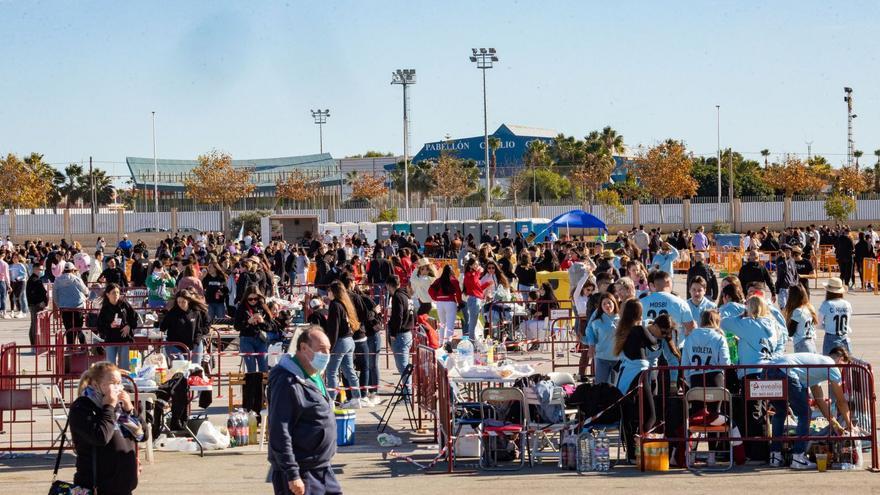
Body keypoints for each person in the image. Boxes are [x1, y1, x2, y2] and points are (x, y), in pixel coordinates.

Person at [268, 327, 342, 495]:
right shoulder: (287, 382)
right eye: (321, 349)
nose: (326, 354)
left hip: (322, 467)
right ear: (303, 348)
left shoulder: (313, 375)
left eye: (328, 349)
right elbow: (280, 431)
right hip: (301, 471)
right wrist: (292, 474)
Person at [720, 295, 784, 461]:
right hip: (768, 369)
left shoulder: (748, 323)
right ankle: (764, 448)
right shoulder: (772, 324)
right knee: (763, 411)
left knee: (753, 413)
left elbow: (724, 322)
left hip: (752, 371)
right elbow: (780, 345)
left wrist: (742, 315)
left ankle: (756, 452)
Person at [768, 348, 853, 470]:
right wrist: (850, 425)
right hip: (787, 372)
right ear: (840, 360)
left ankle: (775, 456)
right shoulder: (832, 366)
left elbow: (820, 401)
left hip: (770, 370)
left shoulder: (816, 366)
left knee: (780, 412)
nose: (841, 371)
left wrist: (835, 425)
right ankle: (798, 457)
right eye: (843, 367)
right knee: (805, 414)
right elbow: (841, 401)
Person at [614, 300, 676, 460]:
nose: (663, 336)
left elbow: (665, 351)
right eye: (662, 332)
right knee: (643, 415)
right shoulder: (639, 330)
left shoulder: (637, 330)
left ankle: (636, 448)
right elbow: (653, 341)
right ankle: (636, 446)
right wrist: (665, 336)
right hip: (637, 373)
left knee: (642, 414)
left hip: (645, 375)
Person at [69, 362, 141, 495]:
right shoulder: (82, 407)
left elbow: (143, 435)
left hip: (124, 485)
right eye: (112, 383)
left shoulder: (120, 409)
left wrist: (130, 409)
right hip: (97, 486)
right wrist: (109, 407)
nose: (118, 388)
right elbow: (101, 437)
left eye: (119, 383)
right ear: (96, 384)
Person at [323, 280, 362, 407]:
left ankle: (331, 401)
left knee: (332, 372)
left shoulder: (334, 305)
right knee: (349, 370)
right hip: (349, 340)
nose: (327, 293)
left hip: (340, 341)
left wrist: (330, 347)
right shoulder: (345, 303)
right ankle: (357, 398)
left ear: (333, 292)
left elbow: (334, 328)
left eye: (329, 291)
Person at [681, 310, 731, 389]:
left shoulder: (690, 337)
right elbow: (725, 362)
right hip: (715, 378)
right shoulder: (719, 337)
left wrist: (689, 380)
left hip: (696, 378)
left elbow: (685, 363)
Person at [160, 289, 209, 364]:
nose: (181, 304)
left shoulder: (196, 312)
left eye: (183, 302)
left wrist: (196, 343)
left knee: (195, 367)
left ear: (188, 301)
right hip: (175, 345)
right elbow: (162, 327)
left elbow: (198, 330)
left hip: (194, 343)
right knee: (182, 366)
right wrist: (162, 320)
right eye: (179, 302)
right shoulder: (172, 313)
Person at [96, 283, 138, 370]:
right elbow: (100, 326)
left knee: (124, 365)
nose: (116, 295)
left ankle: (124, 382)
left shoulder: (124, 304)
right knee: (110, 366)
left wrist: (129, 326)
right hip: (111, 339)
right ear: (107, 294)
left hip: (124, 338)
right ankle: (111, 382)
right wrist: (110, 325)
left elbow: (134, 316)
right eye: (113, 293)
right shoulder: (105, 309)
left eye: (118, 292)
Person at [234, 286, 274, 373]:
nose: (253, 301)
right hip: (246, 339)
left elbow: (270, 327)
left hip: (261, 338)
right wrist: (248, 322)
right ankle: (253, 386)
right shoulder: (241, 308)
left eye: (255, 298)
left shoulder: (263, 307)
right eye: (250, 299)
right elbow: (236, 326)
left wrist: (262, 321)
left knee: (264, 367)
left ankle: (263, 386)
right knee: (251, 368)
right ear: (246, 298)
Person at [387, 274, 414, 398]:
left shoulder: (397, 297)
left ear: (388, 286)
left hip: (400, 334)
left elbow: (398, 316)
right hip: (407, 332)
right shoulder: (406, 295)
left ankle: (408, 393)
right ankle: (407, 391)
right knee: (403, 365)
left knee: (402, 365)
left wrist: (393, 333)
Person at [583, 292, 619, 384]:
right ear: (601, 307)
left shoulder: (621, 318)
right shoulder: (597, 321)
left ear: (614, 303)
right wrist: (591, 345)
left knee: (617, 386)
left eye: (609, 303)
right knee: (601, 385)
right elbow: (589, 331)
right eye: (604, 304)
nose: (607, 305)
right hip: (602, 357)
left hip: (619, 358)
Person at [54, 262, 89, 344]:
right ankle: (83, 347)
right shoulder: (76, 279)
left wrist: (60, 305)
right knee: (79, 328)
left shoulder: (57, 280)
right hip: (78, 307)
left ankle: (70, 347)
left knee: (68, 329)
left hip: (65, 308)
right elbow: (86, 290)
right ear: (73, 270)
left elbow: (55, 296)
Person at [817, 277, 853, 355]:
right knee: (846, 364)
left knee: (830, 365)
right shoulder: (847, 304)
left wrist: (827, 326)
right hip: (845, 338)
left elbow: (818, 324)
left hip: (831, 339)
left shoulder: (827, 304)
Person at [428, 265, 462, 344]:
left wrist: (436, 298)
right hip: (450, 303)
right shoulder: (454, 280)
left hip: (440, 303)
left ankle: (441, 343)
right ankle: (448, 342)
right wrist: (460, 303)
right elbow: (458, 293)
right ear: (451, 271)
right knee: (450, 324)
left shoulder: (438, 280)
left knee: (442, 323)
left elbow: (430, 290)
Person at [462, 258, 490, 343]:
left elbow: (478, 289)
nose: (477, 266)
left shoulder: (473, 275)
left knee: (475, 322)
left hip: (476, 298)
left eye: (477, 264)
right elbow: (475, 287)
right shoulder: (469, 275)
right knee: (473, 323)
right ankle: (471, 342)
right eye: (475, 264)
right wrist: (478, 272)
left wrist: (488, 283)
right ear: (470, 265)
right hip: (474, 299)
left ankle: (473, 341)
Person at [783, 284, 818, 353]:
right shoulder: (809, 307)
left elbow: (791, 332)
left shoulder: (798, 311)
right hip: (811, 343)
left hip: (801, 344)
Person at [26, 263, 48, 346]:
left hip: (34, 304)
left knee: (34, 324)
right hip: (36, 305)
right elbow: (35, 294)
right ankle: (34, 344)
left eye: (42, 270)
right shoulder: (34, 280)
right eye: (40, 269)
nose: (41, 271)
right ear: (35, 269)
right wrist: (41, 302)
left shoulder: (35, 279)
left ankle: (34, 343)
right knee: (35, 324)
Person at [775, 244, 799, 308]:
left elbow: (795, 273)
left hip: (791, 287)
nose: (789, 252)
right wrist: (784, 259)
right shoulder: (779, 260)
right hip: (782, 287)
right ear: (782, 252)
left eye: (790, 251)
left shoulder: (792, 260)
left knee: (791, 307)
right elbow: (784, 270)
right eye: (786, 251)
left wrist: (796, 283)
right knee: (783, 307)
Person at [8, 252, 27, 318]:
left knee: (17, 297)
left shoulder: (21, 265)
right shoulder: (10, 266)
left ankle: (20, 312)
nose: (14, 259)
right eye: (13, 257)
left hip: (21, 283)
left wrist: (18, 278)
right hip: (12, 283)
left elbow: (24, 274)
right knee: (11, 297)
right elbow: (8, 274)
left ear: (18, 258)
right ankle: (12, 311)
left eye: (16, 258)